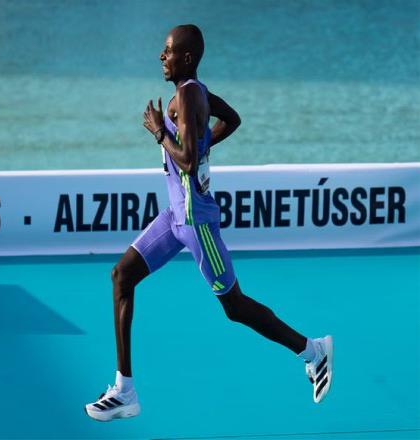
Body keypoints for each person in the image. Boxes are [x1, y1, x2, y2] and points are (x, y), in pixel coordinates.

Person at [85, 24, 333, 422]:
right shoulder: (196, 91)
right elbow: (231, 119)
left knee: (234, 306)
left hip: (196, 222)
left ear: (187, 58)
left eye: (168, 51)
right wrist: (201, 145)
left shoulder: (188, 95)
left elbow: (185, 160)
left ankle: (313, 350)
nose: (161, 56)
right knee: (122, 276)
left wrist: (158, 132)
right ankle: (124, 390)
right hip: (175, 216)